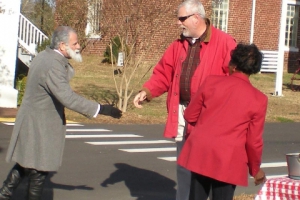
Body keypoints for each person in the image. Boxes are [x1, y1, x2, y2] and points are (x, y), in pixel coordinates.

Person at [0, 26, 122, 200]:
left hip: (33, 119)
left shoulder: (44, 56)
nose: (79, 46)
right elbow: (67, 97)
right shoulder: (53, 64)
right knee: (39, 171)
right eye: (75, 43)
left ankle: (4, 193)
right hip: (39, 124)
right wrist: (101, 109)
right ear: (63, 46)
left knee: (26, 164)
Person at [133, 0, 236, 199]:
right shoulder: (177, 45)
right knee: (184, 165)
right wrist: (147, 91)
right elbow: (164, 73)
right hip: (182, 112)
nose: (178, 23)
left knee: (209, 168)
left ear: (197, 18)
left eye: (182, 19)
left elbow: (235, 80)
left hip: (210, 117)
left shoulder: (224, 43)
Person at [177, 43, 267, 200]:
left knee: (196, 196)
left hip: (201, 151)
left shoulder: (211, 82)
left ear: (233, 65)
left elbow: (190, 115)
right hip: (229, 159)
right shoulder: (259, 99)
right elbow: (253, 141)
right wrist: (255, 169)